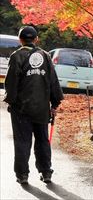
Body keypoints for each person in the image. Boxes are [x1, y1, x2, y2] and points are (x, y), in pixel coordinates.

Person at [4, 26, 64, 185]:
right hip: (42, 108)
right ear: (36, 39)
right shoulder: (45, 56)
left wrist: (10, 101)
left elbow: (11, 83)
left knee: (22, 141)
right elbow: (53, 81)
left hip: (21, 109)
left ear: (20, 39)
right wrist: (55, 102)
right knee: (43, 140)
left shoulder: (16, 56)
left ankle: (22, 175)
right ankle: (46, 172)